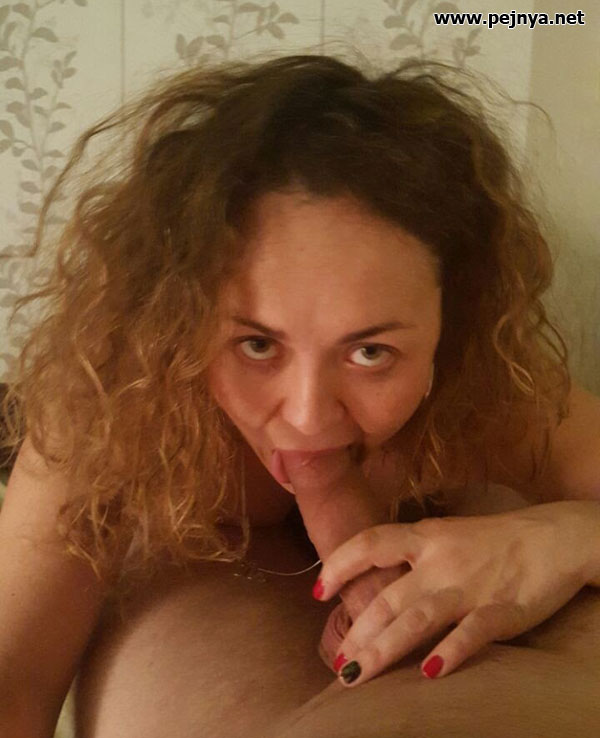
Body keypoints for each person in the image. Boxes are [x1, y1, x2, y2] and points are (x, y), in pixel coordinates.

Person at [1, 52, 600, 738]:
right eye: (257, 344)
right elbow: (14, 675)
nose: (308, 415)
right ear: (178, 313)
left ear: (451, 322)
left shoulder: (485, 385)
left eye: (370, 352)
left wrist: (557, 540)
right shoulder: (114, 402)